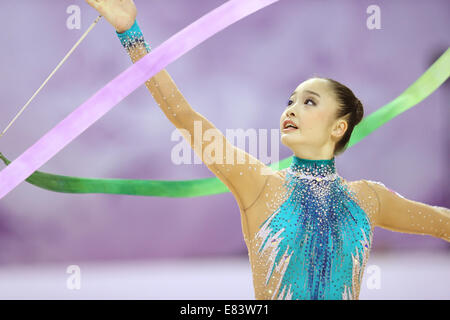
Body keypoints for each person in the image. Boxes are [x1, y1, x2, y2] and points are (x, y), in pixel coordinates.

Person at [86, 0, 450, 300]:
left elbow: (442, 223)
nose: (291, 109)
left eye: (308, 102)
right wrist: (130, 33)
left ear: (339, 126)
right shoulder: (259, 185)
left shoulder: (369, 199)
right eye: (290, 101)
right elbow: (184, 116)